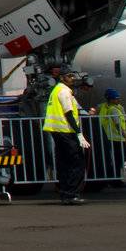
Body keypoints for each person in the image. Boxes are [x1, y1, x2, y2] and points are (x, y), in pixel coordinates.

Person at [43, 67, 87, 205]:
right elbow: (68, 113)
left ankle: (65, 193)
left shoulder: (56, 90)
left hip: (56, 130)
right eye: (69, 76)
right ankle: (71, 193)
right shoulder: (64, 91)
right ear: (62, 78)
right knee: (77, 162)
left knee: (63, 163)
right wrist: (79, 133)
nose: (73, 78)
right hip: (65, 131)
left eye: (73, 76)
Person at [96, 88, 126, 185]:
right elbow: (118, 123)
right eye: (116, 98)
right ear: (110, 99)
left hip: (110, 137)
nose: (118, 100)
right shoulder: (114, 109)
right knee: (117, 160)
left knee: (114, 160)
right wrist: (124, 135)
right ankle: (115, 180)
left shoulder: (104, 107)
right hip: (116, 138)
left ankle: (111, 179)